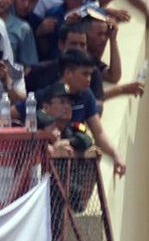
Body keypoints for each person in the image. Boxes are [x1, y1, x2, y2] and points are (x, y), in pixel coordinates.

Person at [36, 47, 124, 176]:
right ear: (68, 74)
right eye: (85, 74)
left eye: (90, 74)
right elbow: (17, 113)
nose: (89, 79)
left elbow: (98, 133)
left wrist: (116, 155)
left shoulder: (86, 95)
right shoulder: (46, 94)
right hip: (42, 166)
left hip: (72, 165)